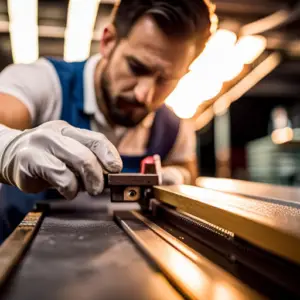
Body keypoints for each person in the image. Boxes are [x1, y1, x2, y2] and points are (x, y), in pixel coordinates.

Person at [0, 0, 214, 241]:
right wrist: (9, 148)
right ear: (108, 42)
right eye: (136, 67)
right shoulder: (43, 82)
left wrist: (177, 176)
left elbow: (187, 167)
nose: (145, 95)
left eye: (166, 79)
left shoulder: (174, 126)